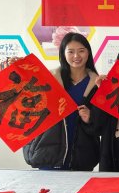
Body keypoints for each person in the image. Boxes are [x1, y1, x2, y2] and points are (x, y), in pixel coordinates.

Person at [23, 32, 100, 171]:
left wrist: (91, 118)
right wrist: (18, 67)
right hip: (49, 153)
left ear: (88, 52)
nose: (76, 56)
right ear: (63, 54)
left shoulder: (97, 84)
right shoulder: (49, 78)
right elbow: (27, 98)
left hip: (82, 156)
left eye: (81, 51)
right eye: (71, 51)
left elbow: (102, 124)